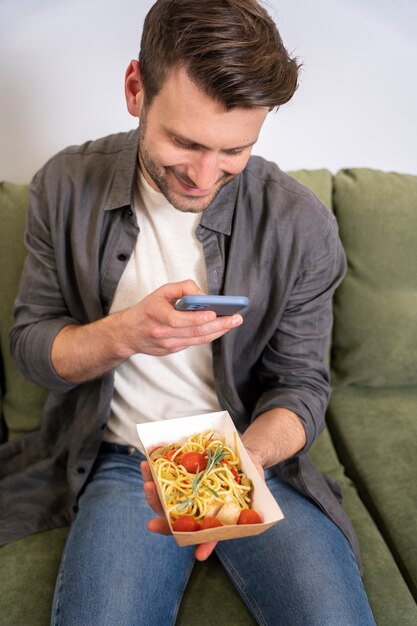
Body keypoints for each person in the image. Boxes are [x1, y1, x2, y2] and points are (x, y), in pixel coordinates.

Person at [2, 0, 376, 624]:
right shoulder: (63, 185)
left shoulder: (300, 222)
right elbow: (32, 351)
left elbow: (302, 385)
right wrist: (123, 334)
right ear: (134, 89)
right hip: (124, 460)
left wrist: (241, 469)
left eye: (235, 151)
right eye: (184, 142)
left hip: (251, 453)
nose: (205, 177)